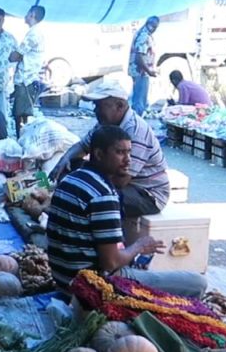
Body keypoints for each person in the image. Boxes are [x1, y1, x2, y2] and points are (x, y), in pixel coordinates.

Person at [46, 125, 206, 298]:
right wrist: (138, 246)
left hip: (63, 279)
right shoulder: (103, 194)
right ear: (99, 154)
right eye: (120, 152)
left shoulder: (72, 178)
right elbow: (111, 263)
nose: (128, 160)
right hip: (92, 286)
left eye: (129, 152)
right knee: (197, 283)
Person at [50, 77, 169, 240]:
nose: (96, 111)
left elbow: (122, 179)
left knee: (95, 198)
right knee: (72, 167)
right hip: (116, 180)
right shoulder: (105, 124)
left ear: (119, 106)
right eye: (95, 106)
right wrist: (64, 161)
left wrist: (84, 186)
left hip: (145, 193)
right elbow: (82, 146)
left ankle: (98, 238)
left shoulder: (136, 130)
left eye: (100, 106)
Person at [9, 5, 46, 137]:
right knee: (24, 113)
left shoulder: (33, 34)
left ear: (32, 15)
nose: (25, 16)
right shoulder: (37, 32)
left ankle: (22, 140)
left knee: (20, 114)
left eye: (27, 13)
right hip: (29, 78)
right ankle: (24, 139)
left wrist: (8, 53)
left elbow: (16, 56)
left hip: (26, 79)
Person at [128, 16, 160, 114]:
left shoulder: (144, 33)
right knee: (139, 102)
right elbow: (139, 57)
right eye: (153, 26)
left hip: (141, 72)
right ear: (148, 24)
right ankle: (136, 124)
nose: (154, 29)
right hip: (140, 72)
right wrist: (149, 71)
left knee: (139, 100)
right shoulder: (144, 35)